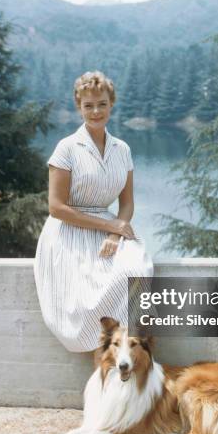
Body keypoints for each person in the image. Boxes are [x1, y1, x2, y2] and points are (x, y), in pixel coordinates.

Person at [34, 71, 154, 352]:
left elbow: (126, 203)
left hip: (108, 227)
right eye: (88, 106)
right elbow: (56, 207)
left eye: (102, 104)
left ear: (111, 104)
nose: (96, 111)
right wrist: (108, 228)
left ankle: (131, 350)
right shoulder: (67, 148)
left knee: (138, 267)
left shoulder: (122, 149)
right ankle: (106, 350)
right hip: (68, 231)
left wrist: (116, 231)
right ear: (79, 107)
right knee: (83, 297)